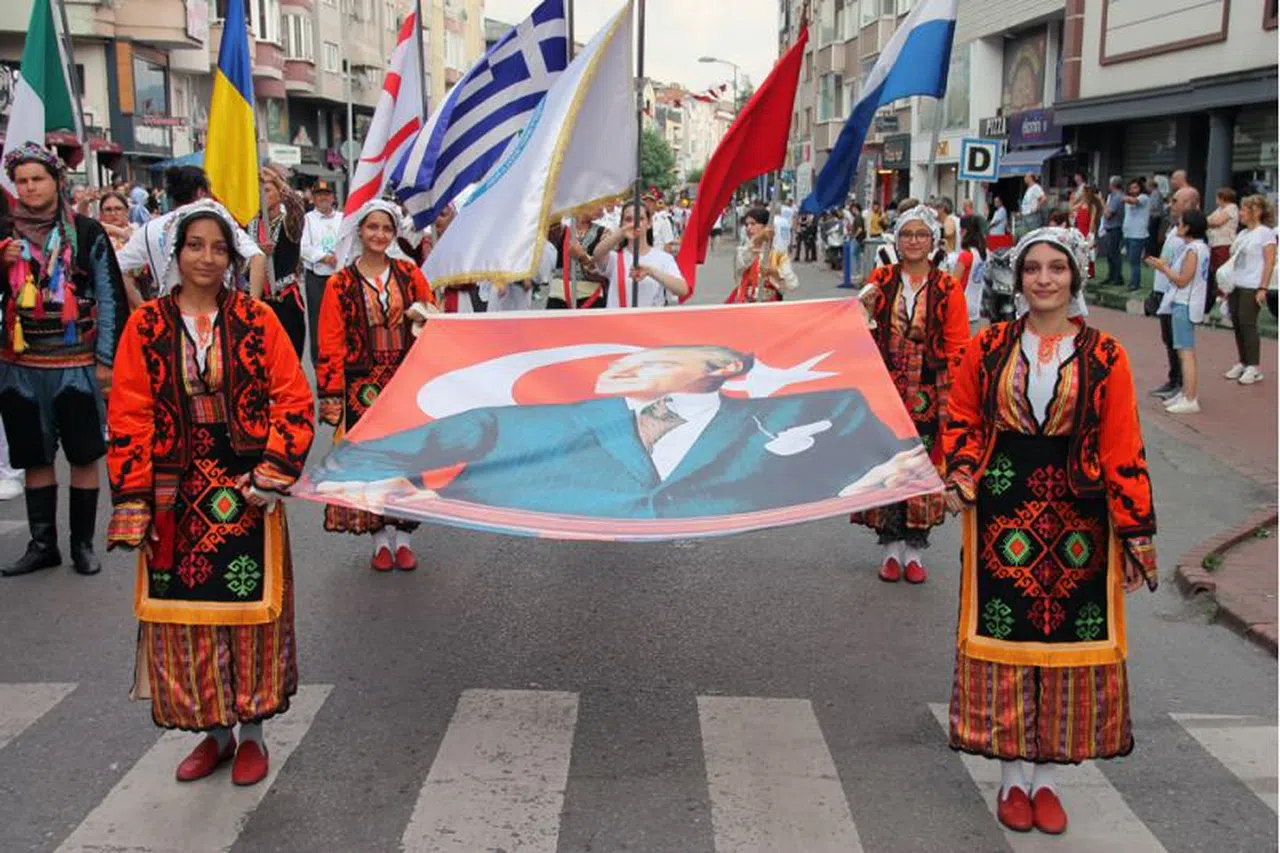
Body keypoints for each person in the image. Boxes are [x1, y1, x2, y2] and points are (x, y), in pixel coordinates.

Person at [940, 226, 1158, 837]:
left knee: (1067, 643)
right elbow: (961, 416)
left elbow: (1123, 443)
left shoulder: (1106, 354)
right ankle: (1011, 776)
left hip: (1080, 516)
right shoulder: (988, 348)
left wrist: (1136, 533)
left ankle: (1049, 779)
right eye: (1032, 268)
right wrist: (959, 472)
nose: (1043, 279)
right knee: (1004, 642)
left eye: (1055, 269)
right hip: (1001, 508)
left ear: (1075, 277)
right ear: (1017, 276)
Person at [105, 202, 315, 787]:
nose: (206, 257)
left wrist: (272, 472)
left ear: (232, 257)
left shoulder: (257, 319)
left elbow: (292, 399)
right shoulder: (145, 325)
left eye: (218, 248)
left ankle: (252, 734)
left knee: (250, 617)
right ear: (175, 254)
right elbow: (129, 412)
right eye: (195, 246)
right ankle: (213, 733)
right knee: (189, 622)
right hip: (176, 491)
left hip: (245, 490)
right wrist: (135, 498)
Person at [312, 345, 934, 518]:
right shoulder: (518, 423)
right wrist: (379, 477)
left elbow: (897, 456)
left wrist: (896, 468)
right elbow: (370, 454)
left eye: (649, 360)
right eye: (621, 364)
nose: (624, 367)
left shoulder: (821, 410)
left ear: (723, 366)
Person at [0, 143, 123, 577]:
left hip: (77, 364)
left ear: (56, 182)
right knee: (34, 456)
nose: (29, 187)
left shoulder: (86, 232)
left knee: (84, 454)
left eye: (37, 179)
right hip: (20, 366)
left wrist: (106, 361)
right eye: (21, 181)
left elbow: (109, 295)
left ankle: (83, 545)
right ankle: (41, 544)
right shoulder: (4, 233)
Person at [852, 205, 969, 584]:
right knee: (888, 462)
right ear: (897, 240)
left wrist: (958, 393)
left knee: (921, 465)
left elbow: (958, 344)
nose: (914, 241)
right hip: (886, 384)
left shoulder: (948, 287)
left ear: (933, 240)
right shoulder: (882, 278)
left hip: (929, 392)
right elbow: (859, 322)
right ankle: (890, 550)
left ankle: (915, 551)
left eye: (921, 234)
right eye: (907, 234)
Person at [317, 200, 437, 571]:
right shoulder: (340, 283)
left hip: (404, 379)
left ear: (395, 233)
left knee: (407, 457)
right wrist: (332, 392)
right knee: (371, 463)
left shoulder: (409, 273)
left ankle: (404, 537)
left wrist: (424, 316)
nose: (379, 235)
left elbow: (431, 315)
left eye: (386, 228)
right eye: (372, 227)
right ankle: (379, 541)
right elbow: (331, 339)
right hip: (361, 386)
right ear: (360, 231)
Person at [116, 166, 265, 308]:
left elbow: (118, 266)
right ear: (201, 193)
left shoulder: (149, 229)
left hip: (168, 320)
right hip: (217, 318)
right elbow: (257, 257)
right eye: (194, 245)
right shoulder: (217, 223)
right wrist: (251, 309)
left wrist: (141, 305)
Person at [1146, 210, 1210, 414]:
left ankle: (1190, 397)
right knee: (1184, 351)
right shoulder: (1197, 248)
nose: (1177, 228)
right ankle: (1185, 393)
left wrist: (1163, 270)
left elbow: (1183, 280)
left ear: (1189, 227)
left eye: (1181, 224)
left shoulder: (1193, 250)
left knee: (1186, 353)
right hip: (1186, 302)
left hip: (1185, 303)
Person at [1147, 184, 1199, 400]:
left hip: (1176, 292)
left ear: (1188, 204)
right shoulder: (1175, 228)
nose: (1171, 204)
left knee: (1178, 342)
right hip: (1163, 290)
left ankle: (1180, 384)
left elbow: (1181, 269)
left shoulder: (1190, 237)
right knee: (1168, 339)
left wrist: (1163, 267)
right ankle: (1173, 379)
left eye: (1176, 201)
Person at [252, 166, 307, 358]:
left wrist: (277, 179)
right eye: (258, 191)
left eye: (267, 190)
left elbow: (298, 204)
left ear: (278, 194)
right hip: (256, 301)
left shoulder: (289, 222)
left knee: (289, 358)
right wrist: (257, 252)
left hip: (284, 301)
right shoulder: (249, 225)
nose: (262, 195)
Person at [1222, 195, 1277, 386]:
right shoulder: (1243, 234)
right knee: (1237, 323)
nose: (1242, 213)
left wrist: (1263, 287)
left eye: (1245, 209)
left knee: (1248, 324)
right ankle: (1243, 361)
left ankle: (1254, 366)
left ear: (1257, 211)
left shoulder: (1265, 233)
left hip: (1252, 285)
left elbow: (1269, 261)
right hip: (1236, 283)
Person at [593, 203, 690, 308]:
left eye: (641, 218)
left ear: (649, 223)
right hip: (618, 321)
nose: (634, 223)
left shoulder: (664, 258)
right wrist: (621, 233)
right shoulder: (614, 257)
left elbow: (682, 290)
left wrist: (651, 272)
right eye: (628, 219)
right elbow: (597, 254)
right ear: (621, 223)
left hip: (650, 321)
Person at [300, 181, 342, 365]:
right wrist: (324, 257)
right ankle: (319, 361)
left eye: (326, 194)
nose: (323, 198)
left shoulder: (343, 218)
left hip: (340, 275)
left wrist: (339, 257)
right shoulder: (307, 219)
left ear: (333, 197)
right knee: (317, 321)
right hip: (317, 277)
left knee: (341, 318)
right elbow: (303, 247)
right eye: (319, 195)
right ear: (314, 198)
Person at [728, 207, 798, 303]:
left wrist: (775, 273)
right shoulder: (742, 251)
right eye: (747, 224)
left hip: (769, 305)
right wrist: (757, 241)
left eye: (753, 224)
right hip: (744, 302)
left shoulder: (778, 255)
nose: (748, 227)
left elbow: (792, 285)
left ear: (766, 226)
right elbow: (740, 267)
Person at [547, 207, 610, 309]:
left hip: (590, 295)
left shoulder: (605, 233)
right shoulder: (561, 229)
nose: (601, 208)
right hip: (559, 295)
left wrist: (583, 257)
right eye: (597, 202)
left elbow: (605, 270)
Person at [1205, 187, 1239, 316]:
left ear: (1222, 198)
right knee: (1215, 271)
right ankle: (1220, 296)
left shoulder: (1231, 208)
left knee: (1223, 270)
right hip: (1214, 243)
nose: (1216, 200)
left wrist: (1210, 222)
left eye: (1217, 198)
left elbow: (1216, 222)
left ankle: (1226, 298)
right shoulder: (1220, 210)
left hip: (1225, 243)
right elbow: (1208, 220)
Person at [954, 215, 987, 336]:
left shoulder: (966, 255)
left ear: (964, 231)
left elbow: (953, 282)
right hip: (975, 306)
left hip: (961, 306)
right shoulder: (982, 254)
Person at [1121, 178, 1151, 291]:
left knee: (1135, 260)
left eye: (1135, 187)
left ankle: (1135, 283)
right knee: (1131, 259)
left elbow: (1134, 201)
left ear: (1140, 188)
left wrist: (1122, 197)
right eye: (1131, 188)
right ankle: (1133, 281)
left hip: (1138, 235)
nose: (1133, 190)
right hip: (1128, 233)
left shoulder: (1144, 198)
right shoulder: (1128, 200)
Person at [1101, 177, 1126, 285]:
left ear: (1113, 185)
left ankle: (1116, 277)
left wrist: (1101, 202)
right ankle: (1111, 275)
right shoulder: (1114, 196)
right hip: (1111, 227)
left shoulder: (1117, 197)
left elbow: (1108, 214)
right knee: (1110, 253)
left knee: (1113, 253)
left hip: (1114, 227)